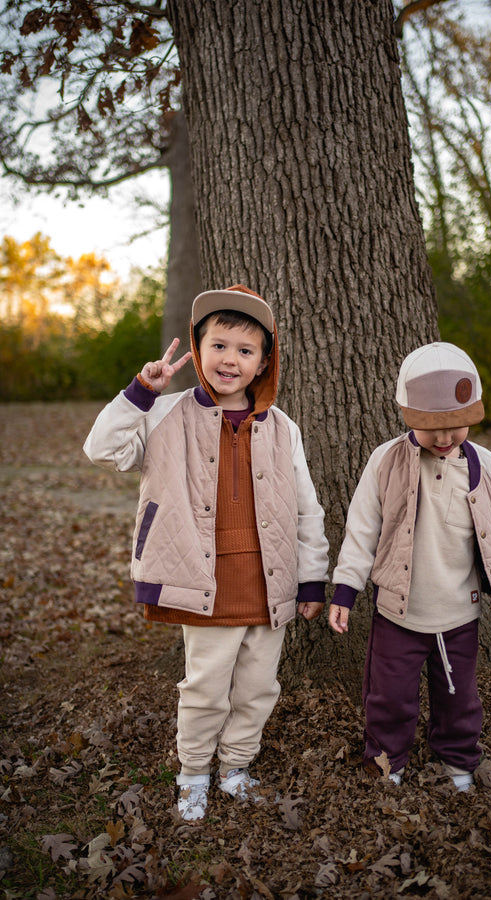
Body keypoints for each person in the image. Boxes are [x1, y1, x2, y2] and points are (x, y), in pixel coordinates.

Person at [84, 284, 329, 821]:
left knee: (258, 687)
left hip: (269, 581)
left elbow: (307, 509)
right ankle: (193, 773)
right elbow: (101, 450)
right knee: (206, 687)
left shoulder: (283, 427)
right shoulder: (166, 412)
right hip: (203, 582)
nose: (230, 360)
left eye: (245, 351)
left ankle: (236, 768)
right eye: (219, 345)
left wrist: (312, 580)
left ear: (264, 363)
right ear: (198, 351)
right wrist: (138, 394)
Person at [328, 341, 491, 791]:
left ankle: (457, 761)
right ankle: (387, 763)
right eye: (430, 427)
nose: (443, 438)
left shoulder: (484, 466)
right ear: (408, 416)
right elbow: (362, 530)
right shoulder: (387, 462)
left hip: (460, 612)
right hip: (398, 612)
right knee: (389, 698)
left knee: (459, 698)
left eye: (455, 426)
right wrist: (345, 590)